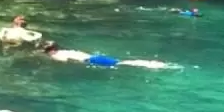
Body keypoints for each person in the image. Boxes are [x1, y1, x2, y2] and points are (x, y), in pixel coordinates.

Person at [40, 41, 173, 69]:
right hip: (93, 57)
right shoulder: (66, 50)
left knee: (121, 64)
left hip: (91, 61)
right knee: (121, 62)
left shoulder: (56, 55)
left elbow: (64, 62)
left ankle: (151, 65)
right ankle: (151, 63)